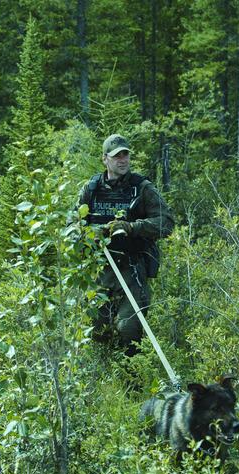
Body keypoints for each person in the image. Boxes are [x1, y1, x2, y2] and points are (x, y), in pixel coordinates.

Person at [78, 134, 174, 356]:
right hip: (99, 269)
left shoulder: (142, 188)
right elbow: (72, 225)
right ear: (105, 159)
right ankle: (106, 377)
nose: (122, 160)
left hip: (132, 269)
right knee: (96, 330)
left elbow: (166, 223)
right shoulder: (90, 189)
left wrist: (132, 227)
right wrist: (89, 234)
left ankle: (133, 380)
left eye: (125, 155)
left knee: (128, 329)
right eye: (116, 156)